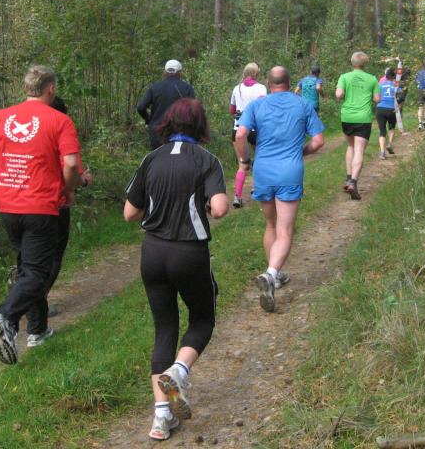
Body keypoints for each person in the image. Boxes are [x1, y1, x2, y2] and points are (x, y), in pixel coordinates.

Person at [123, 98, 229, 441]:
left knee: (164, 328)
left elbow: (129, 213)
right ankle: (180, 371)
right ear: (201, 126)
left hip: (152, 252)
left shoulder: (150, 159)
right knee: (203, 319)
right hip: (189, 252)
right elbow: (220, 208)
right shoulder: (207, 160)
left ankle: (161, 418)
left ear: (167, 123)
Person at [0, 65, 82, 365]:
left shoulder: (0, 116)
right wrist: (68, 189)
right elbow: (71, 164)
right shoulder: (59, 120)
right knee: (38, 272)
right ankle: (6, 317)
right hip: (41, 205)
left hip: (8, 206)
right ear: (51, 89)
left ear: (25, 88)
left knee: (27, 267)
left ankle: (38, 330)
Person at [234, 66, 324, 313]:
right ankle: (271, 274)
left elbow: (240, 135)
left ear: (269, 83)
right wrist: (302, 152)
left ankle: (274, 274)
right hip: (289, 170)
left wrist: (244, 160)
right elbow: (318, 141)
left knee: (271, 225)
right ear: (289, 82)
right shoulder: (302, 104)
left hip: (263, 170)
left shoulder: (257, 105)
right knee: (285, 230)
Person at [46, 96, 93, 317]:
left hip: (23, 202)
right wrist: (82, 181)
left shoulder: (31, 131)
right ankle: (38, 299)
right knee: (54, 254)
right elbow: (72, 168)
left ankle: (25, 290)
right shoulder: (63, 132)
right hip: (57, 203)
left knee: (32, 254)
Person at [336, 52, 380, 200]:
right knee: (359, 149)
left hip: (347, 116)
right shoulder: (372, 79)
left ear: (352, 62)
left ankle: (348, 178)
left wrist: (347, 93)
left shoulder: (344, 77)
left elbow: (338, 95)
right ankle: (353, 182)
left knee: (351, 146)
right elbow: (377, 99)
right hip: (363, 118)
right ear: (365, 63)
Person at [229, 63, 267, 208]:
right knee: (259, 159)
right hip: (255, 129)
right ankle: (256, 188)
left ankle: (237, 196)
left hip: (238, 129)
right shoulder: (261, 88)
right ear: (256, 73)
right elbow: (264, 107)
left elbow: (232, 110)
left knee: (242, 164)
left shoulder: (236, 88)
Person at [136, 59, 195, 149]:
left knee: (159, 157)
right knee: (179, 157)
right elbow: (194, 111)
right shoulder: (187, 88)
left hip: (157, 134)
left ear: (165, 72)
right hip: (180, 134)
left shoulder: (155, 87)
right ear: (180, 73)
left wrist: (148, 120)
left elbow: (141, 107)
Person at [376, 68, 398, 159]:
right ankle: (390, 143)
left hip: (380, 109)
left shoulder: (380, 85)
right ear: (393, 77)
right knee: (391, 128)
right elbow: (398, 97)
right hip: (391, 109)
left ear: (386, 76)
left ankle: (382, 152)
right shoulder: (395, 85)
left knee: (382, 131)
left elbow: (377, 96)